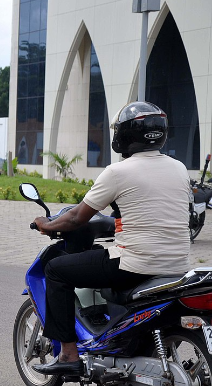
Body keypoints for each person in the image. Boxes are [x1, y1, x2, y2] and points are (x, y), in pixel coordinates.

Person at [31, 101, 191, 376]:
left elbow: (76, 218)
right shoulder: (179, 168)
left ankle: (69, 354)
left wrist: (48, 224)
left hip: (134, 265)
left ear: (125, 134)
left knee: (56, 271)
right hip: (177, 265)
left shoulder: (118, 172)